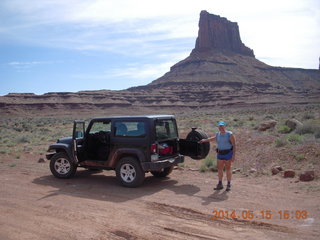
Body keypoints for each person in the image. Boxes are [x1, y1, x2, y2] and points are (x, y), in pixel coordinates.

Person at [199, 121, 236, 191]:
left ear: (225, 126)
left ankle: (228, 184)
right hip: (220, 154)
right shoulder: (218, 134)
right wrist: (204, 140)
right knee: (220, 170)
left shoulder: (229, 134)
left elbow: (234, 145)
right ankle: (220, 184)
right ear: (218, 127)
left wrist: (233, 156)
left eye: (222, 126)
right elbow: (213, 138)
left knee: (228, 169)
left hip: (228, 154)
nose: (221, 128)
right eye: (219, 126)